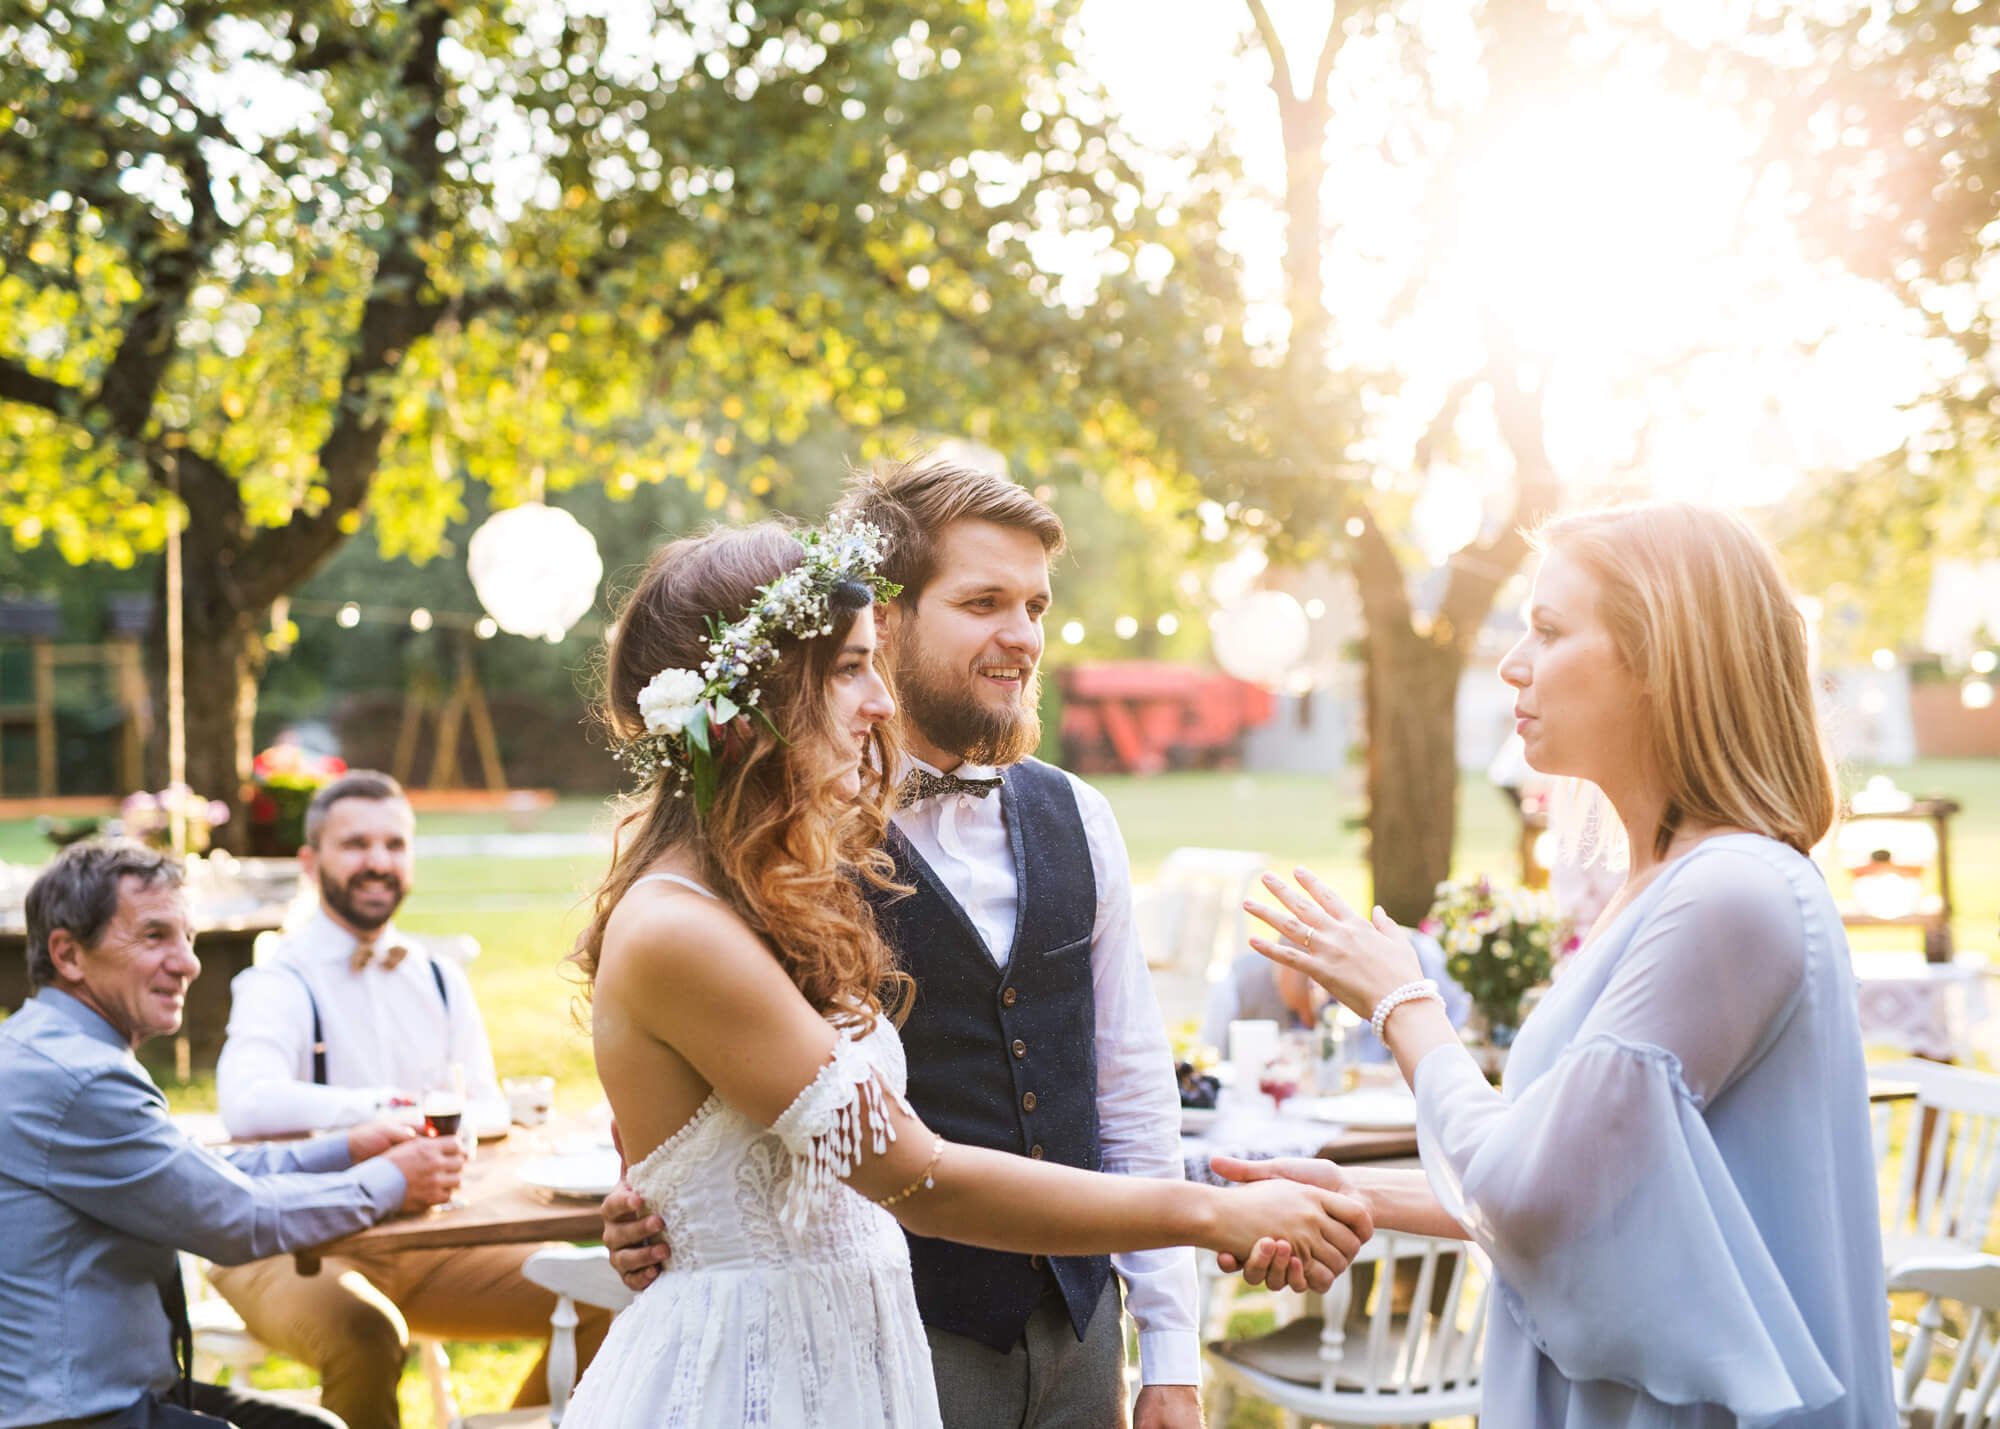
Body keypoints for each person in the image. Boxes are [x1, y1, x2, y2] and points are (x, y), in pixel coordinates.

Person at [564, 517, 1371, 1429]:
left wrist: (1168, 1339)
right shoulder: (685, 924)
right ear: (750, 696)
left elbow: (1128, 1079)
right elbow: (921, 1174)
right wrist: (1209, 1213)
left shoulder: (771, 883)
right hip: (769, 1373)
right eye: (846, 668)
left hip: (900, 1355)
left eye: (1035, 605)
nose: (878, 702)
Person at [1222, 503, 1895, 1426]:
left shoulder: (1732, 895)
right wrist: (1352, 1192)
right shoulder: (1661, 884)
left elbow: (1532, 1197)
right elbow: (1574, 1181)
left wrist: (1402, 1002)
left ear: (1661, 657)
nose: (1511, 663)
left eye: (1547, 629)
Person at [0, 839, 463, 1429]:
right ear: (68, 954)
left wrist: (344, 1150)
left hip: (104, 1396)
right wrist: (393, 1181)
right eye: (154, 936)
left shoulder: (50, 1049)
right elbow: (235, 1219)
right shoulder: (79, 1080)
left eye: (187, 938)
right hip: (79, 1415)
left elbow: (191, 1174)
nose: (188, 962)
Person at [210, 772, 609, 1429]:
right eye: (356, 843)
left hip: (429, 1242)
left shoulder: (438, 977)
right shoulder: (279, 978)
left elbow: (481, 1104)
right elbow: (246, 1103)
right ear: (312, 862)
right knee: (365, 1334)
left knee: (605, 1294)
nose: (378, 860)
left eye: (394, 844)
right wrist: (378, 1111)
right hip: (290, 1245)